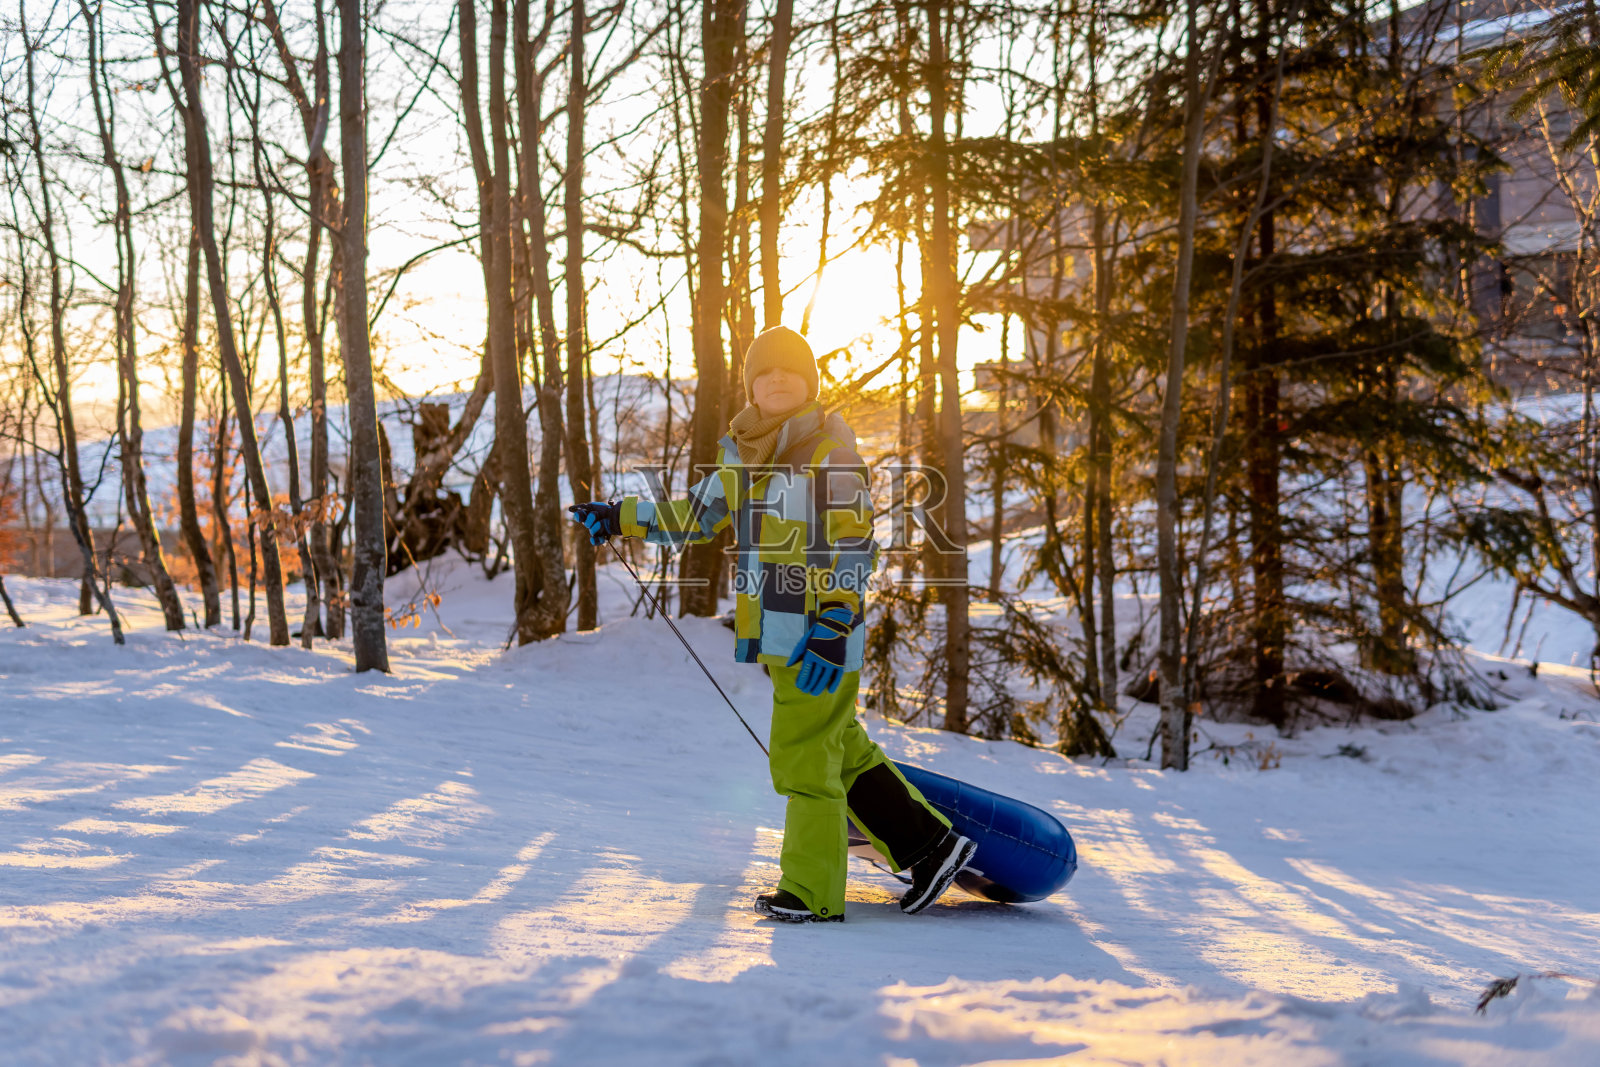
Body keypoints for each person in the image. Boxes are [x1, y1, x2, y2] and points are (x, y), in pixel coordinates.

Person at [570, 325, 975, 923]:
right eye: (764, 372)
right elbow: (695, 517)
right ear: (752, 387)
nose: (777, 378)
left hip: (822, 636)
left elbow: (855, 545)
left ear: (809, 383)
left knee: (802, 759)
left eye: (790, 370)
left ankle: (811, 892)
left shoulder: (828, 454)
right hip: (783, 637)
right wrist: (621, 516)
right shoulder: (745, 455)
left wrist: (836, 620)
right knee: (839, 750)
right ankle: (931, 846)